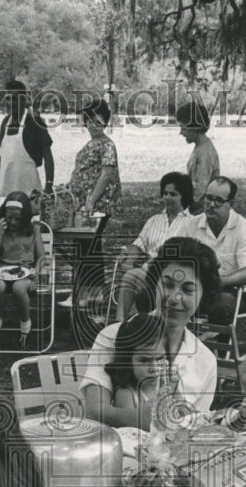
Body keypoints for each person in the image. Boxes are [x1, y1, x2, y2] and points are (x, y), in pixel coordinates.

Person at [82, 236, 220, 430]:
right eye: (167, 284)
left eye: (188, 290)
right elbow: (94, 411)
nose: (173, 298)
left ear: (203, 297)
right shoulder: (112, 336)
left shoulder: (205, 361)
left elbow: (195, 427)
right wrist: (139, 419)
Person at [114, 172, 194, 322]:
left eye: (173, 194)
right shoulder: (154, 220)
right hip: (148, 272)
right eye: (164, 193)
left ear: (184, 196)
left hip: (174, 274)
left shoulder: (193, 223)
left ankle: (122, 325)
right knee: (131, 274)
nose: (167, 198)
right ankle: (124, 324)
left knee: (131, 276)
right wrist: (127, 256)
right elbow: (138, 246)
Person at [186, 176, 246, 327]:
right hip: (197, 288)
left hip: (234, 292)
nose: (211, 205)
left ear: (231, 204)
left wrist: (217, 282)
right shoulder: (191, 224)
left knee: (220, 306)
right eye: (208, 198)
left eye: (218, 200)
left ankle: (218, 350)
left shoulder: (242, 228)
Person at [0, 194, 45, 350]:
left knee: (19, 288)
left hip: (25, 271)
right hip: (1, 269)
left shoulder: (34, 230)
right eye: (9, 217)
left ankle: (25, 325)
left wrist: (36, 273)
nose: (13, 222)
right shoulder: (0, 229)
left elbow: (42, 257)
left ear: (25, 218)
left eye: (18, 219)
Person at [0, 79, 55, 197]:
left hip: (29, 190)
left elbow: (48, 156)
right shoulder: (5, 122)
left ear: (24, 99)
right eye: (7, 98)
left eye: (14, 99)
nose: (10, 102)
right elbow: (3, 157)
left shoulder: (35, 121)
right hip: (6, 188)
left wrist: (49, 186)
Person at [68, 98, 121, 231]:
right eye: (90, 121)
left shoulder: (107, 145)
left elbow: (106, 175)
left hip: (97, 203)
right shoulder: (90, 144)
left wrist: (91, 201)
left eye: (98, 122)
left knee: (89, 240)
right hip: (82, 203)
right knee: (83, 240)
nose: (94, 125)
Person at [105, 313, 167, 418]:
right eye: (144, 360)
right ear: (128, 362)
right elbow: (129, 433)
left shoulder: (167, 386)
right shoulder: (126, 394)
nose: (154, 368)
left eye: (160, 358)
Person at [176, 101, 220, 215]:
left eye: (183, 128)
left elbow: (199, 191)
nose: (180, 133)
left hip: (202, 214)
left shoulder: (204, 152)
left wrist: (180, 210)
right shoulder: (200, 147)